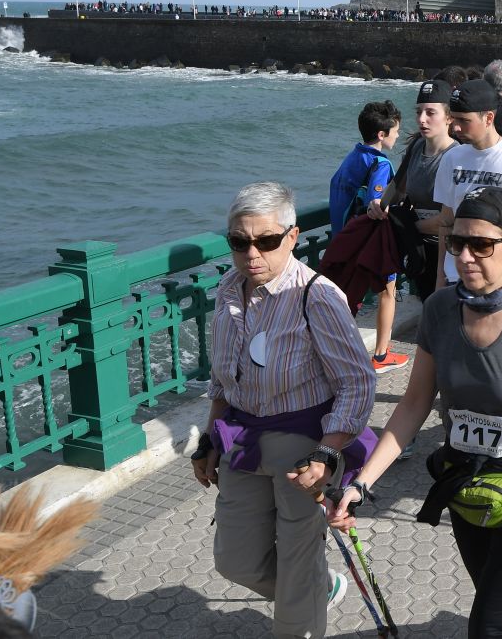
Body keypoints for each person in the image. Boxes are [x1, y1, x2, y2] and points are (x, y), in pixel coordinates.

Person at [329, 187, 502, 639]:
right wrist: (361, 483)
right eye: (457, 242)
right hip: (464, 474)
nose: (465, 256)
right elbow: (415, 404)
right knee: (493, 581)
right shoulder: (439, 310)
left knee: (488, 625)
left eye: (481, 245)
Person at [198, 181, 377, 639]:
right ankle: (322, 588)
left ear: (292, 237)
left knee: (298, 566)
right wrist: (208, 439)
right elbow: (222, 377)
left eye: (266, 240)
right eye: (239, 241)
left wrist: (328, 452)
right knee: (235, 561)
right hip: (243, 443)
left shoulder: (317, 296)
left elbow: (357, 382)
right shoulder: (227, 289)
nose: (251, 253)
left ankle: (303, 611)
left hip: (305, 449)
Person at [435, 80, 502, 287]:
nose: (455, 127)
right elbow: (446, 223)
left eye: (464, 120)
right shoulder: (451, 158)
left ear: (488, 118)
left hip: (501, 278)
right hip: (457, 275)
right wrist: (441, 276)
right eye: (453, 119)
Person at [328, 100, 405, 372]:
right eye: (395, 131)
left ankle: (333, 355)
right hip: (368, 243)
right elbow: (376, 205)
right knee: (388, 292)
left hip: (344, 240)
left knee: (343, 300)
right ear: (382, 134)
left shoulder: (353, 156)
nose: (398, 135)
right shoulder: (380, 163)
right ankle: (382, 355)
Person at [367, 79, 456, 303]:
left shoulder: (457, 156)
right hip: (418, 249)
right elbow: (398, 188)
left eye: (430, 112)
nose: (422, 119)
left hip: (448, 251)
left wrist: (406, 228)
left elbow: (450, 219)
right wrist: (377, 206)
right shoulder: (417, 147)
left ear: (449, 117)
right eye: (419, 112)